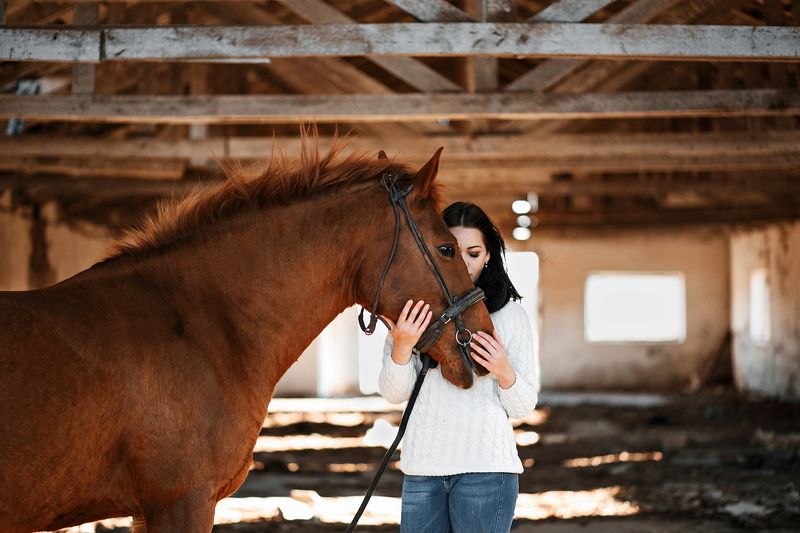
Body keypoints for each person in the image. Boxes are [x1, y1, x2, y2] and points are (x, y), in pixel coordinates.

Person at [378, 201, 541, 533]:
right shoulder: (412, 313)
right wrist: (402, 346)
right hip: (422, 470)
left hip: (487, 471)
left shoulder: (510, 316)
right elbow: (395, 395)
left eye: (473, 252)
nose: (464, 263)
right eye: (451, 251)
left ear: (488, 256)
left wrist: (503, 370)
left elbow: (524, 406)